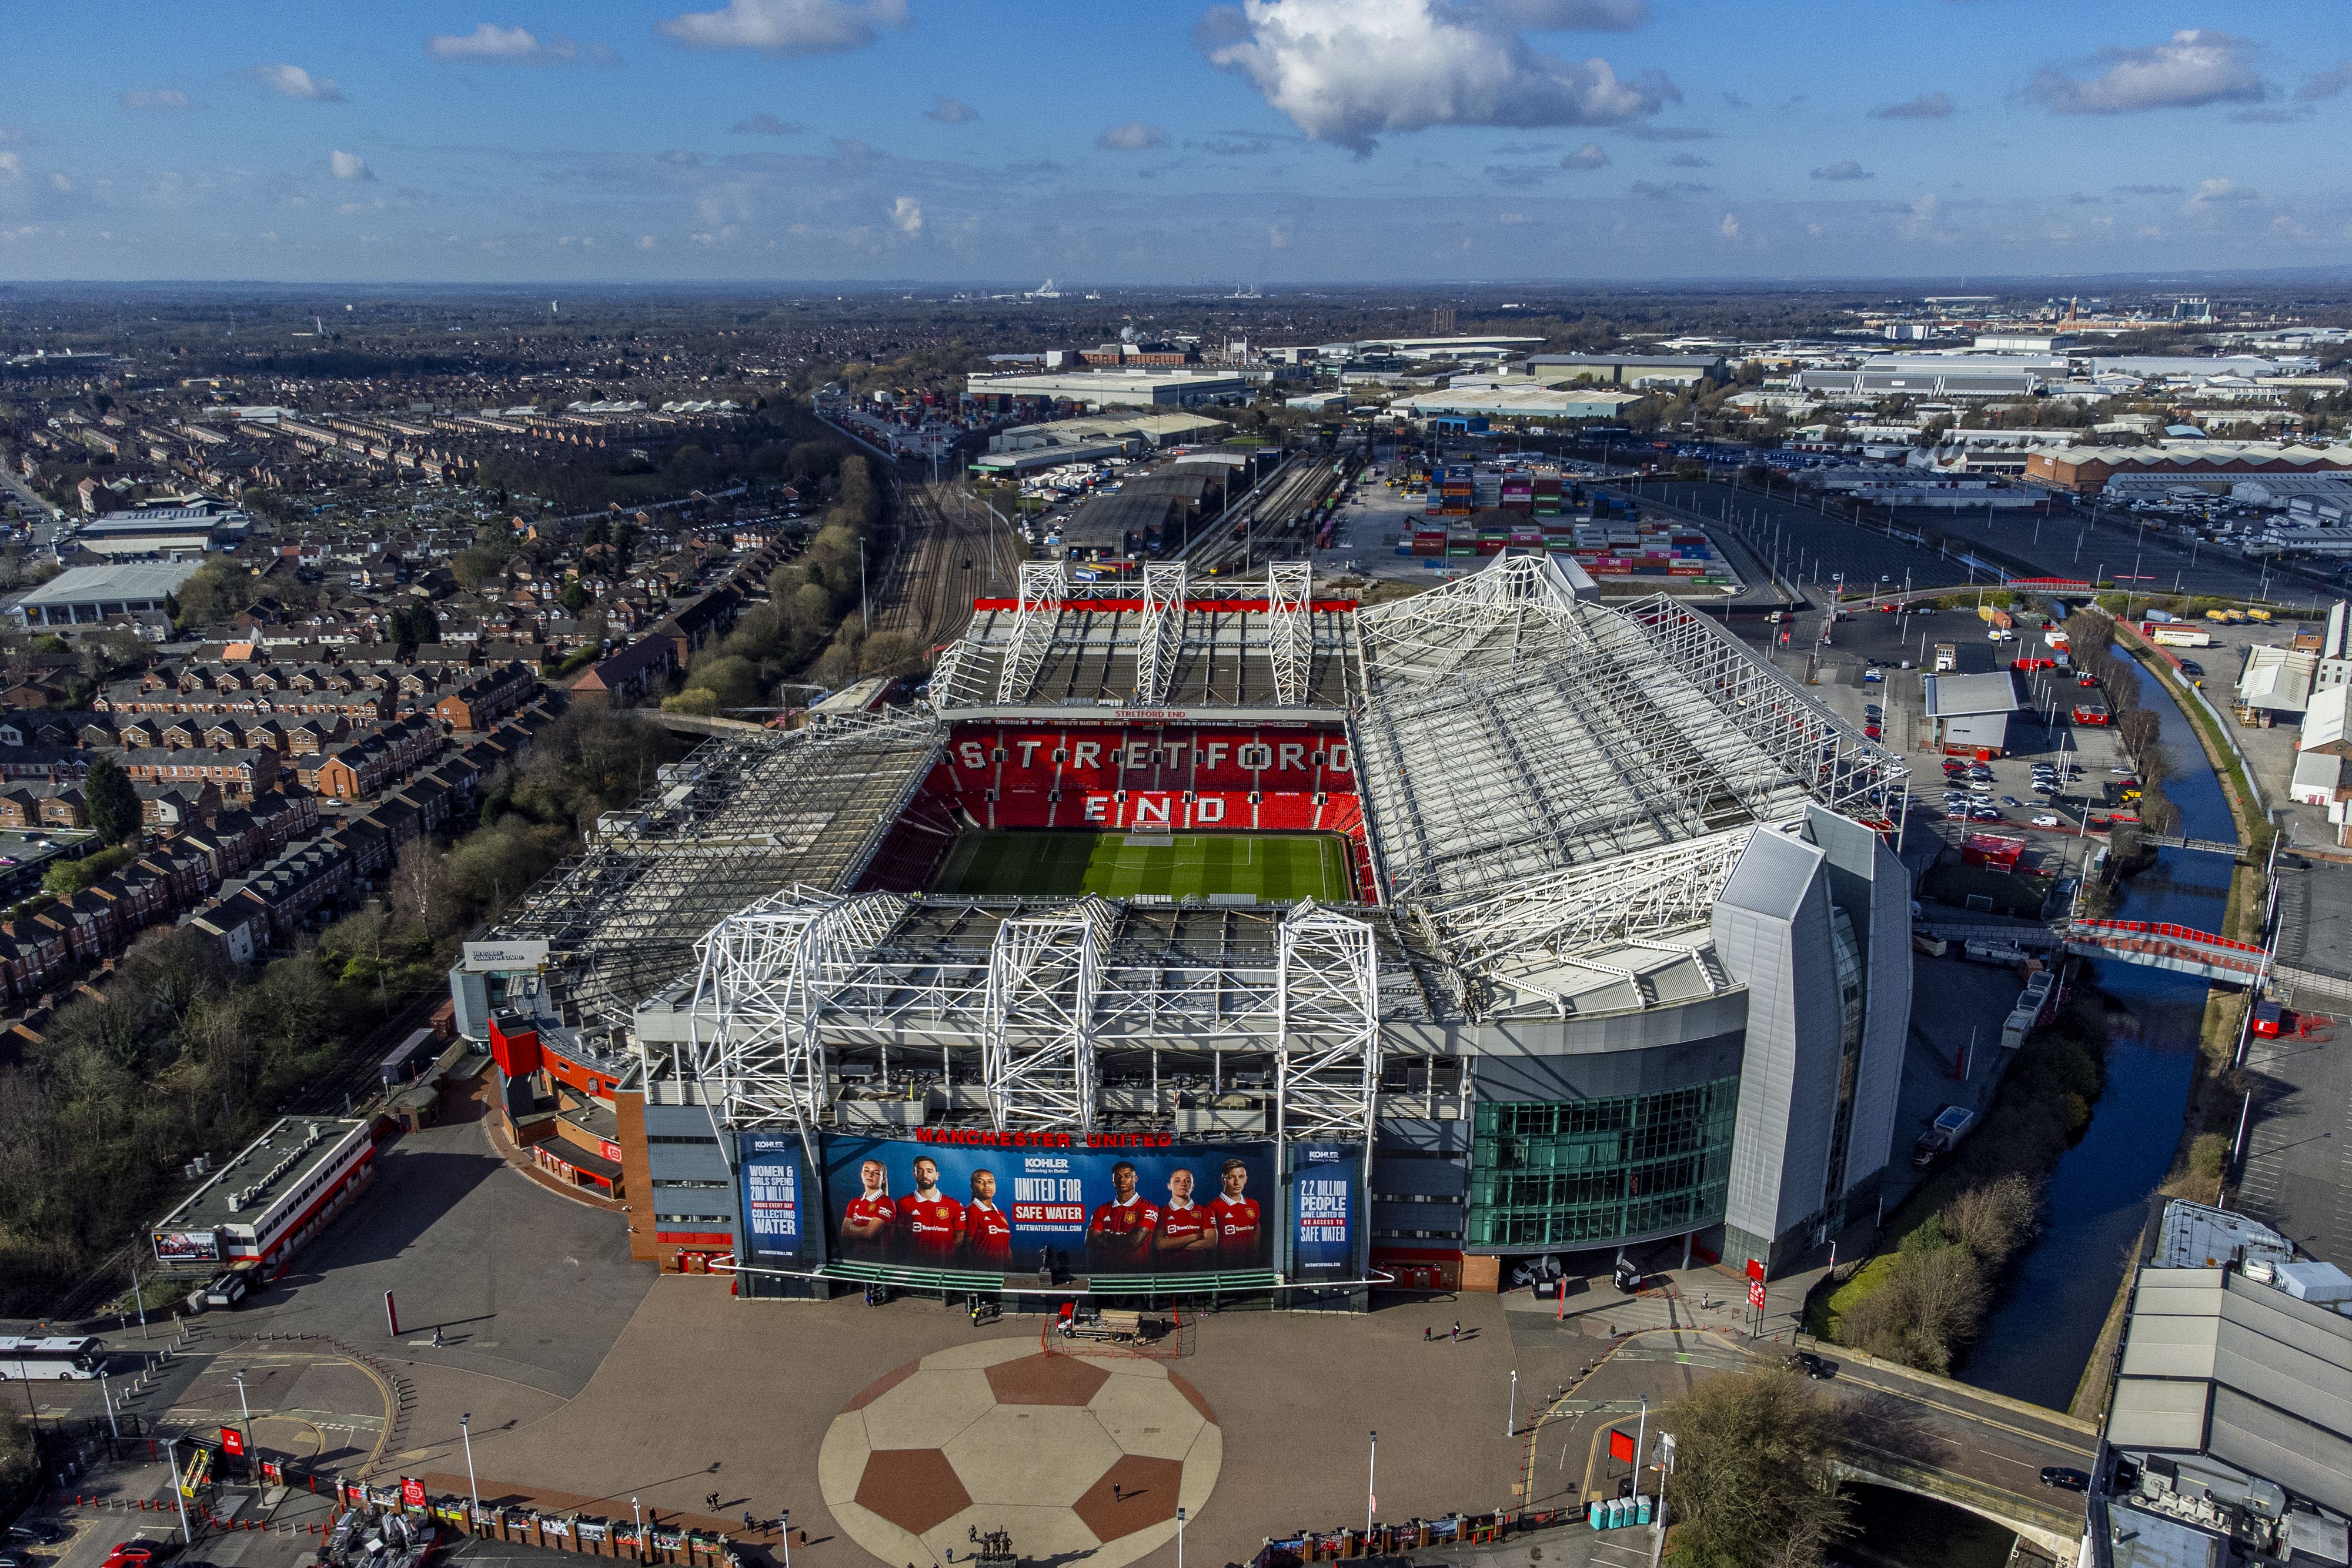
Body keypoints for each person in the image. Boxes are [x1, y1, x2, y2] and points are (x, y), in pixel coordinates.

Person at [1085, 1161, 1160, 1271]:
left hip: (1138, 1273)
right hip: (1107, 1272)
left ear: (1135, 1179)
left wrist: (1106, 1236)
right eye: (1118, 1176)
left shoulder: (1148, 1207)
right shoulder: (1101, 1210)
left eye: (1127, 1176)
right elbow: (1091, 1242)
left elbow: (1134, 1242)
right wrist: (1124, 1240)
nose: (1122, 1180)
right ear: (1113, 1181)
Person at [896, 1155, 964, 1261]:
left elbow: (959, 1240)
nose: (925, 1175)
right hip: (914, 1264)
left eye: (929, 1171)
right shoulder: (903, 1203)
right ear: (914, 1174)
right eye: (920, 1171)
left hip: (945, 1266)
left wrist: (940, 1254)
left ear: (937, 1175)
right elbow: (900, 1237)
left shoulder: (955, 1205)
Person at [1153, 1168, 1213, 1271]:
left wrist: (1172, 1243)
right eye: (1177, 1181)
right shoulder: (1160, 1213)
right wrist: (1194, 1236)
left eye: (1188, 1181)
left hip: (1200, 1274)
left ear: (1193, 1186)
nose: (1183, 1184)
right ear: (1169, 1186)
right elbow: (1160, 1244)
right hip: (1170, 1275)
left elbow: (1211, 1242)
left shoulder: (1206, 1211)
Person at [1207, 1158, 1262, 1266]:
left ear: (1246, 1179)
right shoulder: (1213, 1207)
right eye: (1232, 1177)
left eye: (1241, 1177)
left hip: (1249, 1266)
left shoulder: (1253, 1205)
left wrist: (1255, 1260)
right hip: (1224, 1267)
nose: (1237, 1182)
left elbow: (1256, 1231)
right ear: (1223, 1180)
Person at [840, 1158, 895, 1261]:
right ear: (861, 1174)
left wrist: (852, 1227)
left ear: (883, 1179)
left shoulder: (887, 1202)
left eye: (876, 1173)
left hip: (879, 1262)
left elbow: (870, 1233)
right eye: (867, 1171)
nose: (870, 1175)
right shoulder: (855, 1202)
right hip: (857, 1259)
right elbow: (844, 1231)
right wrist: (860, 1229)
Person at [963, 1168, 1013, 1268]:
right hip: (983, 1272)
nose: (987, 1185)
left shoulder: (1001, 1214)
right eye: (980, 1182)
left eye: (990, 1182)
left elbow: (1007, 1246)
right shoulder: (972, 1211)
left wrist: (1011, 1267)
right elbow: (966, 1245)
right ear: (972, 1186)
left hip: (1004, 1271)